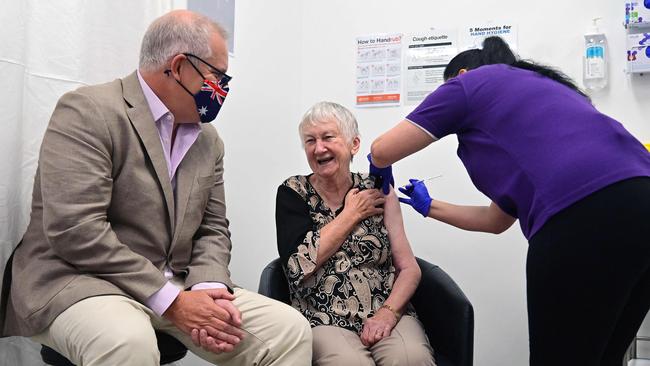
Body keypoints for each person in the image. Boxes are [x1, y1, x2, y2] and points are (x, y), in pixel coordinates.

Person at [0, 10, 311, 366]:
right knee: (126, 341)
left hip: (176, 284)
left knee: (289, 330)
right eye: (216, 76)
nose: (222, 89)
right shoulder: (88, 111)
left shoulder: (208, 141)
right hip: (82, 281)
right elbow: (76, 230)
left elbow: (212, 229)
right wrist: (172, 301)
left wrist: (207, 288)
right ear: (179, 67)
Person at [369, 36, 650, 366]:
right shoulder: (544, 88)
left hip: (579, 215)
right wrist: (429, 206)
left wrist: (378, 167)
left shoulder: (468, 83)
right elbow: (496, 221)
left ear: (459, 74)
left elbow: (382, 148)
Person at [275, 101, 435, 365]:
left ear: (354, 144)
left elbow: (409, 268)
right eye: (310, 141)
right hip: (323, 317)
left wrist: (388, 313)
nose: (319, 148)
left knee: (412, 358)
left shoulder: (380, 190)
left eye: (328, 137)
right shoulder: (293, 192)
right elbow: (297, 266)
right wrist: (352, 214)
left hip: (386, 309)